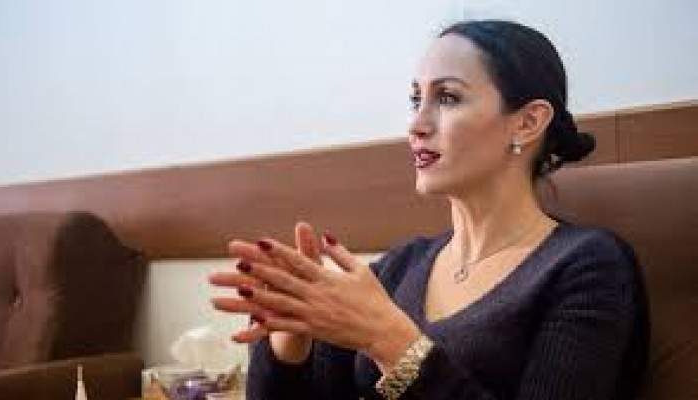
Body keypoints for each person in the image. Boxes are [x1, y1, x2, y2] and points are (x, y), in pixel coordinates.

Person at [209, 20, 649, 400]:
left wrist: (391, 341)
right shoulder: (399, 268)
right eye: (415, 99)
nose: (416, 125)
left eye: (448, 97)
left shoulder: (588, 267)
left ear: (527, 122)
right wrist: (289, 342)